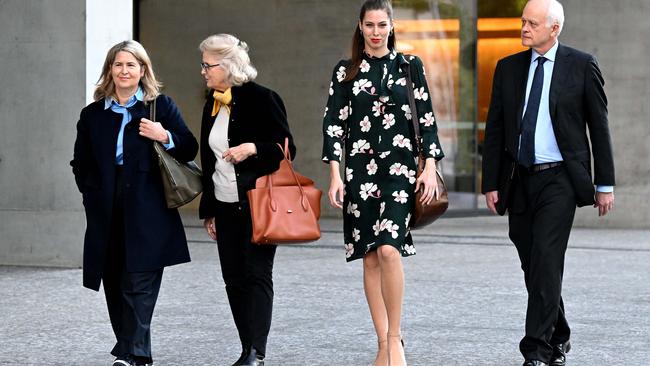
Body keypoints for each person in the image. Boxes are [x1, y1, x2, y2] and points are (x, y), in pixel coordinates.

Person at [482, 1, 615, 365]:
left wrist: (604, 184)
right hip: (518, 178)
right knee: (533, 264)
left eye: (532, 23)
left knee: (545, 258)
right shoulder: (507, 68)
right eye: (523, 21)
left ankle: (536, 351)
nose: (524, 28)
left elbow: (599, 128)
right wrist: (490, 182)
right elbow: (495, 129)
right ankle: (560, 334)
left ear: (554, 29)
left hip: (560, 180)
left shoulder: (581, 65)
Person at [322, 1, 444, 365]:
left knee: (389, 249)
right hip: (359, 173)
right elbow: (334, 125)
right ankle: (381, 341)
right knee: (370, 258)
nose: (376, 32)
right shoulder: (345, 71)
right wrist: (335, 175)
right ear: (360, 28)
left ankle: (395, 338)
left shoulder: (409, 66)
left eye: (382, 25)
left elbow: (426, 117)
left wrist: (428, 166)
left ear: (392, 27)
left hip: (400, 170)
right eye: (369, 25)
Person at [71, 40, 198, 366]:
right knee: (114, 282)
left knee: (139, 283)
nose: (124, 70)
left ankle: (135, 355)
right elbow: (80, 162)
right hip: (106, 209)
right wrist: (90, 194)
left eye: (131, 65)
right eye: (118, 64)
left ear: (142, 71)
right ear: (109, 71)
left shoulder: (161, 106)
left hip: (149, 209)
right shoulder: (92, 115)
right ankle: (129, 348)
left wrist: (163, 135)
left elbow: (188, 148)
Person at [197, 34, 295, 366]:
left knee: (257, 275)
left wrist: (253, 148)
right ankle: (245, 347)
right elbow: (209, 162)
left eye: (207, 65)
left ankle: (256, 352)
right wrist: (209, 210)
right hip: (224, 207)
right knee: (233, 279)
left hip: (258, 204)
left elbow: (286, 149)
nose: (203, 71)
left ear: (227, 65)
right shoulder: (212, 103)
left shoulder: (263, 99)